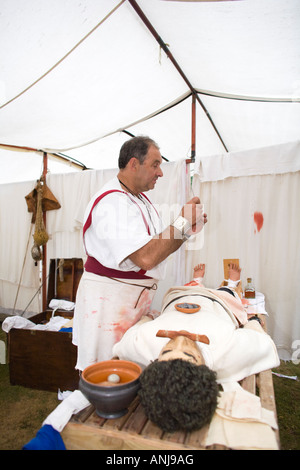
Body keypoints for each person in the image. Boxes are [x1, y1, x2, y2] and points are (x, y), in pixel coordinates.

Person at [72, 136, 207, 371]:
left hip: (129, 303)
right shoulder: (112, 203)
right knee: (105, 372)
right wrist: (183, 221)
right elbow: (147, 257)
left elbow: (158, 247)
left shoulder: (140, 200)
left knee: (127, 369)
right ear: (134, 164)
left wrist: (186, 230)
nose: (160, 173)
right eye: (155, 165)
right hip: (108, 307)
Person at [112, 263, 280, 432]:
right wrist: (253, 321)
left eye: (167, 351)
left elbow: (130, 336)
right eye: (189, 354)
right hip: (217, 303)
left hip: (180, 298)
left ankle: (196, 281)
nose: (179, 340)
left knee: (188, 289)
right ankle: (230, 285)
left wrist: (148, 318)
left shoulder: (140, 347)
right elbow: (262, 342)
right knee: (226, 293)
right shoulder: (226, 353)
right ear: (204, 368)